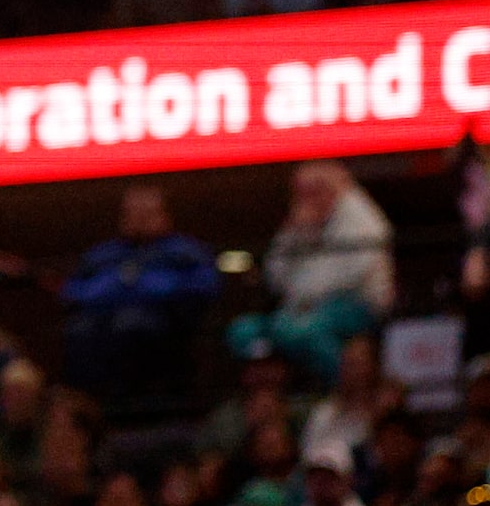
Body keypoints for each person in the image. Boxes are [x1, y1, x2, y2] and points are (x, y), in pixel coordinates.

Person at [229, 163, 395, 382]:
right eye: (302, 193)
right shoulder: (302, 222)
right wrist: (297, 233)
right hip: (300, 312)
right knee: (243, 332)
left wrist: (300, 300)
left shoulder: (361, 219)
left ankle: (346, 391)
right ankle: (272, 397)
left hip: (355, 306)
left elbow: (338, 280)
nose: (308, 199)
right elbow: (275, 277)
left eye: (314, 190)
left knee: (302, 331)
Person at [61, 186, 219, 405]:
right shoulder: (104, 255)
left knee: (132, 324)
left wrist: (152, 287)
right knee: (80, 330)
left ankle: (148, 400)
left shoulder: (184, 251)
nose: (140, 220)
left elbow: (204, 285)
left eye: (147, 214)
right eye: (134, 214)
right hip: (105, 325)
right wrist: (115, 287)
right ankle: (92, 402)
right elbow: (73, 291)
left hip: (168, 325)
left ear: (163, 215)